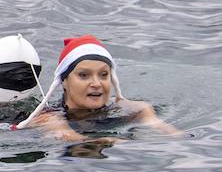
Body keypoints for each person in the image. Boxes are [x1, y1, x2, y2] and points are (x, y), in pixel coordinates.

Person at [13, 34, 180, 140]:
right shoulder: (50, 118)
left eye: (103, 75)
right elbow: (79, 143)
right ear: (64, 81)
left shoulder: (121, 111)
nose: (96, 83)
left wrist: (147, 115)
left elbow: (171, 134)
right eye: (84, 75)